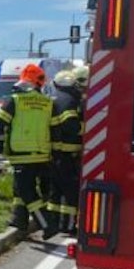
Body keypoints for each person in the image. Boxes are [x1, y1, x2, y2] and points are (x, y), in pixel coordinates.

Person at [0, 63, 56, 238]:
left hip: (21, 153)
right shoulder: (48, 102)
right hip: (42, 153)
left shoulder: (15, 100)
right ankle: (19, 219)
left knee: (26, 191)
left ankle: (46, 224)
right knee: (19, 187)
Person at [46, 70, 84, 235]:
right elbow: (72, 127)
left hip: (54, 152)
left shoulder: (53, 99)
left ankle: (53, 223)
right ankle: (68, 225)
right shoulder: (70, 101)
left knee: (56, 191)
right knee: (70, 192)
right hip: (68, 153)